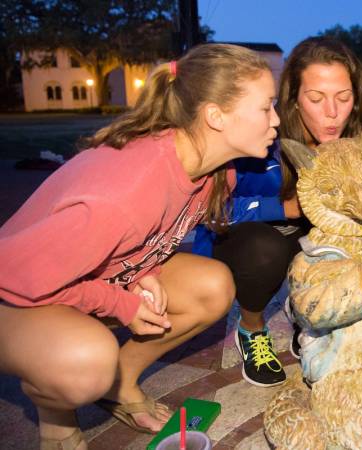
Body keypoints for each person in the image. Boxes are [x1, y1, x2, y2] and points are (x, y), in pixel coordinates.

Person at [0, 43, 279, 450]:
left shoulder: (216, 172)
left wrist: (144, 272)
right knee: (83, 364)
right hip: (16, 292)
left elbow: (149, 234)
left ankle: (121, 383)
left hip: (75, 275)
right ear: (215, 116)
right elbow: (17, 276)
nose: (275, 120)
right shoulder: (125, 194)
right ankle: (57, 420)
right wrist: (121, 303)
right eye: (266, 107)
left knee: (212, 286)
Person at [191, 36, 362, 387]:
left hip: (309, 245)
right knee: (264, 250)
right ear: (293, 99)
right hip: (248, 240)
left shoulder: (359, 140)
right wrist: (283, 207)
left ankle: (308, 319)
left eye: (344, 98)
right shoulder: (260, 134)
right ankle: (253, 327)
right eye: (316, 99)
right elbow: (209, 210)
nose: (332, 112)